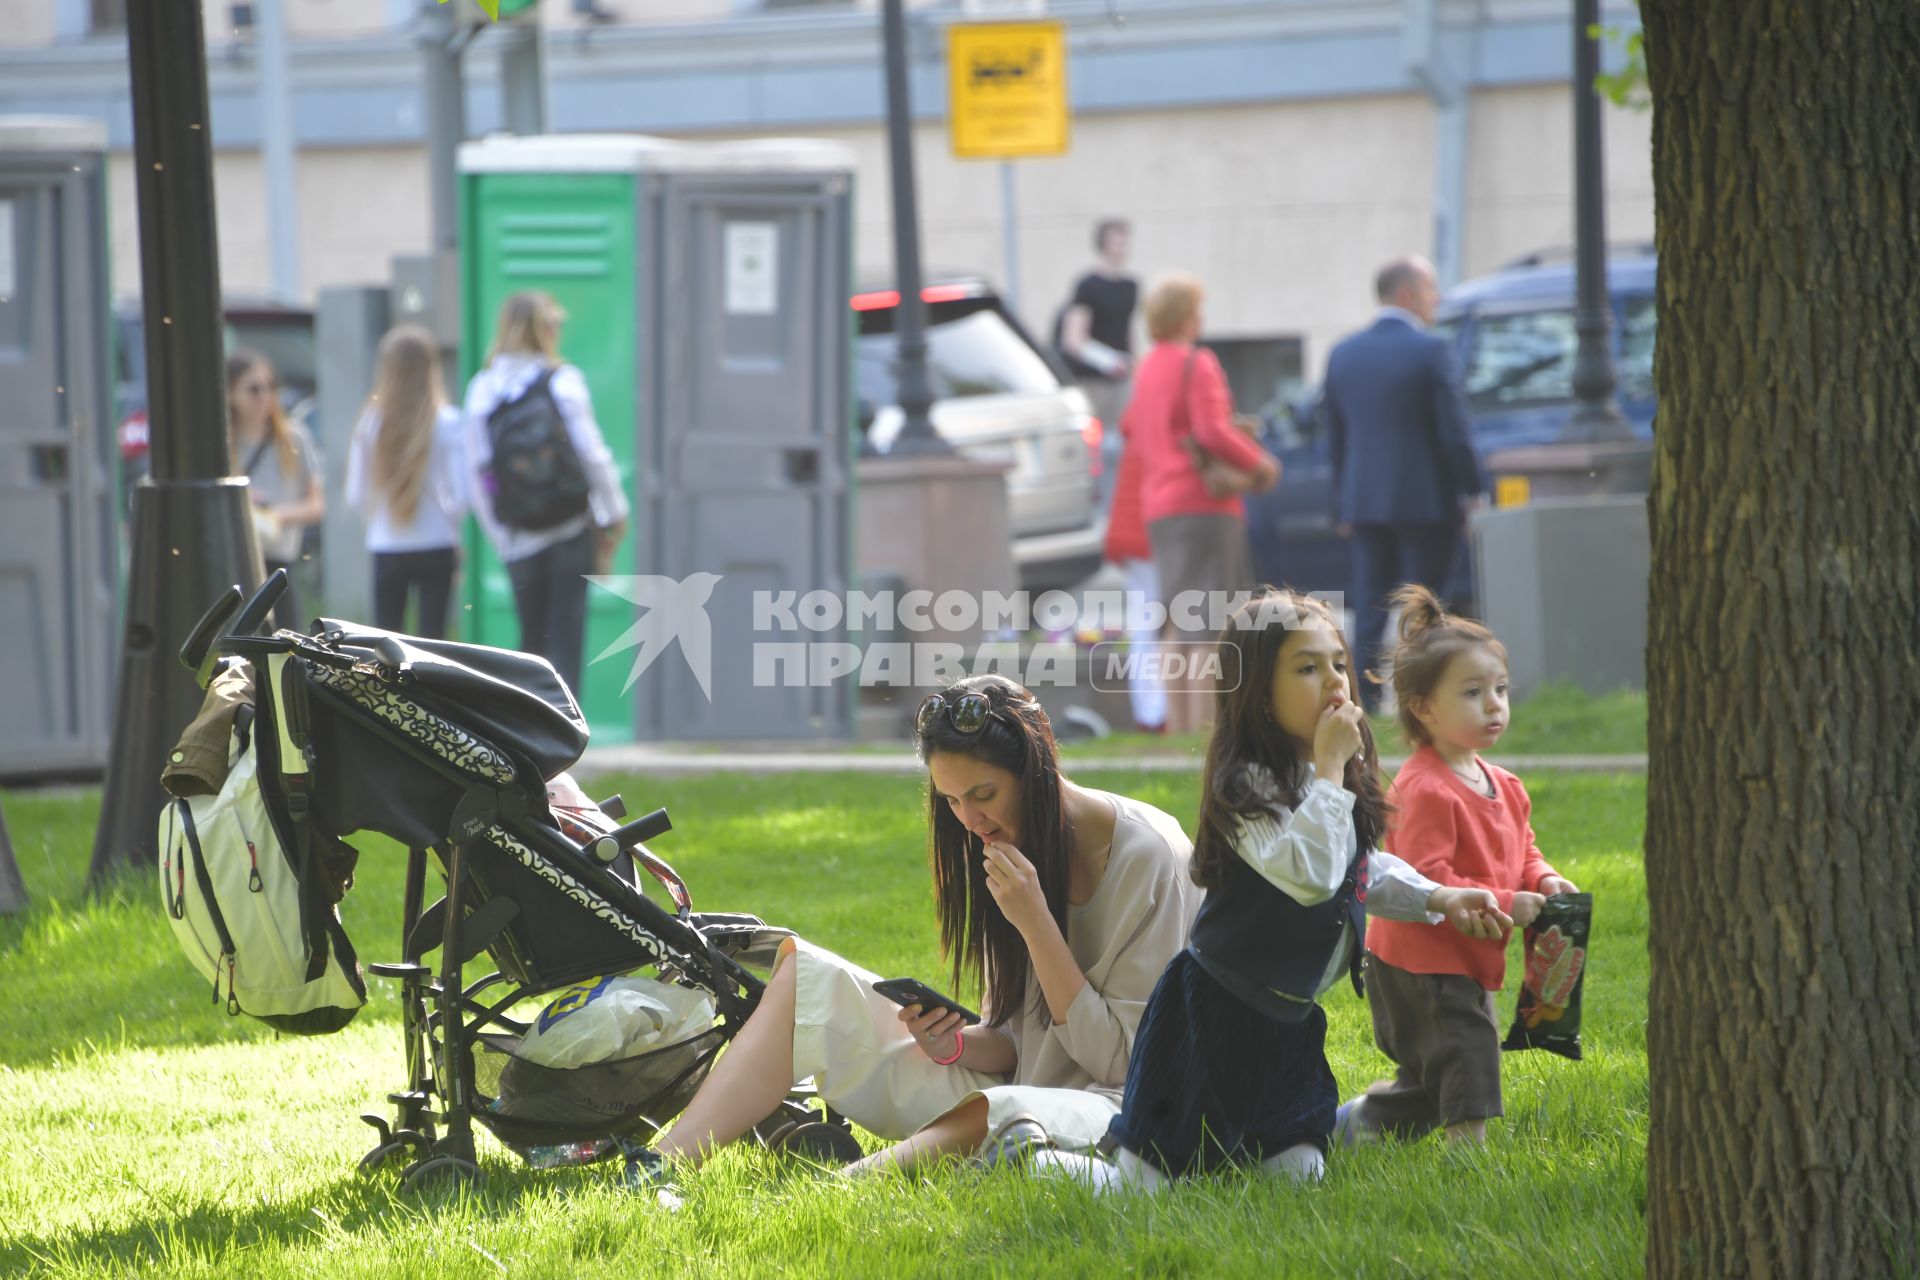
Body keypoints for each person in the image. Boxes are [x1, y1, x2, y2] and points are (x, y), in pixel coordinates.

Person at [625, 674, 1200, 1200]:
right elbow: (1014, 1041)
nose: (969, 820)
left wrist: (1036, 924)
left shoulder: (1149, 858)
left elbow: (1125, 1066)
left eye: (983, 794)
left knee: (998, 1109)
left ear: (1037, 769)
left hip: (1122, 1111)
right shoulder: (1008, 845)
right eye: (951, 800)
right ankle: (661, 1166)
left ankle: (832, 1194)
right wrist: (950, 1042)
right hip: (1029, 1085)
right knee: (808, 979)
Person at [1100, 588, 1509, 1189]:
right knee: (1150, 1186)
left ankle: (1307, 1135)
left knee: (1298, 1181)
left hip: (1287, 1027)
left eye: (1338, 663)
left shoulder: (1331, 775)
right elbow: (1312, 879)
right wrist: (1329, 772)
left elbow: (1357, 872)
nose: (1334, 682)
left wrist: (1438, 898)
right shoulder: (1245, 785)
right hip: (1211, 1021)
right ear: (1259, 690)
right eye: (1307, 668)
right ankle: (1040, 1158)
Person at [1335, 585, 1578, 1147]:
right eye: (1473, 692)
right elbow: (1422, 876)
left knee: (1432, 1080)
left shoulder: (1504, 785)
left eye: (1499, 689)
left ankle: (1359, 1123)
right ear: (1423, 708)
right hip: (1419, 963)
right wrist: (1503, 900)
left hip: (1463, 957)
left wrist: (1542, 879)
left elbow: (1524, 850)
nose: (1494, 704)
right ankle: (1470, 1165)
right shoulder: (1424, 789)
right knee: (1468, 1057)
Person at [1322, 254, 1489, 712]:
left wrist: (1341, 504)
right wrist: (1473, 489)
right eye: (1431, 289)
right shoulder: (1431, 350)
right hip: (1425, 500)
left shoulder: (1343, 353)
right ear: (1406, 294)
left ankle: (1364, 701)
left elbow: (1334, 439)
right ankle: (1425, 698)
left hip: (1364, 502)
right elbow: (1454, 430)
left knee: (1370, 605)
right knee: (1426, 606)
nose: (1437, 299)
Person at [1126, 272, 1279, 735]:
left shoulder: (1147, 368)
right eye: (1197, 309)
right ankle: (1206, 735)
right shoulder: (1199, 363)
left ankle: (1180, 731)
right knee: (1211, 627)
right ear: (1186, 316)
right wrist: (1259, 463)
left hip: (1160, 506)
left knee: (1178, 624)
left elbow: (1137, 430)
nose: (1201, 318)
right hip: (1203, 504)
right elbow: (1211, 431)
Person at [463, 291, 628, 697]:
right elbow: (592, 454)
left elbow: (479, 475)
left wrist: (500, 536)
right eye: (554, 323)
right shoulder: (562, 381)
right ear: (543, 329)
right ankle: (567, 737)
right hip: (571, 528)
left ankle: (530, 742)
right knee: (566, 642)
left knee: (530, 646)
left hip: (519, 534)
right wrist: (614, 512)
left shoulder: (482, 389)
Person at [345, 324, 467, 639]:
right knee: (433, 641)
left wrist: (376, 521)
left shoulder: (371, 423)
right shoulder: (448, 421)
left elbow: (355, 495)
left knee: (387, 641)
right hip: (437, 540)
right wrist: (453, 525)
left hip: (386, 542)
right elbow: (463, 494)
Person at [228, 350, 325, 631]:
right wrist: (244, 503)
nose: (265, 397)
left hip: (281, 564)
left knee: (285, 650)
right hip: (238, 566)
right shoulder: (224, 442)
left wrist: (276, 515)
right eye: (254, 389)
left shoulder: (293, 438)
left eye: (271, 387)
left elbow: (316, 505)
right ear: (231, 393)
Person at [1057, 218, 1139, 504]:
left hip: (1121, 380)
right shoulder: (1088, 286)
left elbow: (1128, 332)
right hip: (1092, 380)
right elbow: (1074, 338)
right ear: (1103, 244)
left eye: (1124, 240)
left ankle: (1118, 501)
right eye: (1116, 240)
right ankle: (1092, 499)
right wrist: (1106, 360)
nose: (1122, 246)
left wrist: (1131, 366)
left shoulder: (1130, 286)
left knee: (1122, 443)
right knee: (1094, 445)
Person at [1100, 425, 1166, 734]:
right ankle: (1154, 713)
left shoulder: (1141, 420)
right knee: (1151, 628)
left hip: (1132, 530)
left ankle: (1150, 712)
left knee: (1145, 625)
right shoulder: (1160, 426)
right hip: (1148, 533)